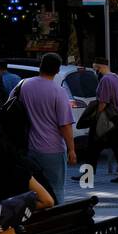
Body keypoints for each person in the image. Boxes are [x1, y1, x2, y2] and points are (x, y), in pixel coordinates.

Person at [17, 53, 76, 205]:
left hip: (29, 147)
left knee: (33, 191)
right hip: (53, 150)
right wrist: (71, 149)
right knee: (55, 191)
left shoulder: (24, 85)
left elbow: (11, 109)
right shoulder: (59, 92)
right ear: (57, 71)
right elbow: (65, 124)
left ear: (40, 66)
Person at [82, 55, 118, 184]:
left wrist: (96, 117)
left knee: (92, 147)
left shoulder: (105, 80)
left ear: (99, 66)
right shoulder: (115, 77)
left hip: (107, 117)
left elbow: (103, 102)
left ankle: (87, 176)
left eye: (96, 68)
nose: (95, 71)